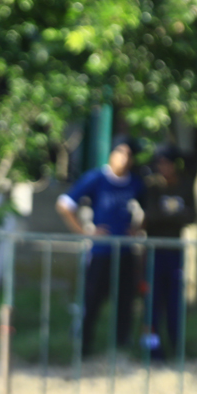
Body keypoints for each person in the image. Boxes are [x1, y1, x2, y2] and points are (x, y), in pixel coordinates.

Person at [55, 136, 146, 356]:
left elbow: (147, 209)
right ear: (111, 154)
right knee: (92, 300)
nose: (124, 159)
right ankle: (83, 347)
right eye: (120, 153)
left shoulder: (135, 182)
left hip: (125, 252)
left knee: (125, 301)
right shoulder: (96, 178)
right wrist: (84, 232)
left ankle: (121, 349)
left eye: (129, 154)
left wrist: (136, 229)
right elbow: (65, 204)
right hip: (100, 252)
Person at [141, 144, 196, 360]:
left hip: (174, 252)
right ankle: (152, 349)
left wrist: (166, 214)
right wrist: (175, 213)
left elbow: (192, 216)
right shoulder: (152, 186)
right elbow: (151, 215)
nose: (163, 167)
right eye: (160, 163)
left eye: (167, 163)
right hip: (153, 252)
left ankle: (177, 347)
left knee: (174, 303)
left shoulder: (185, 185)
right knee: (152, 303)